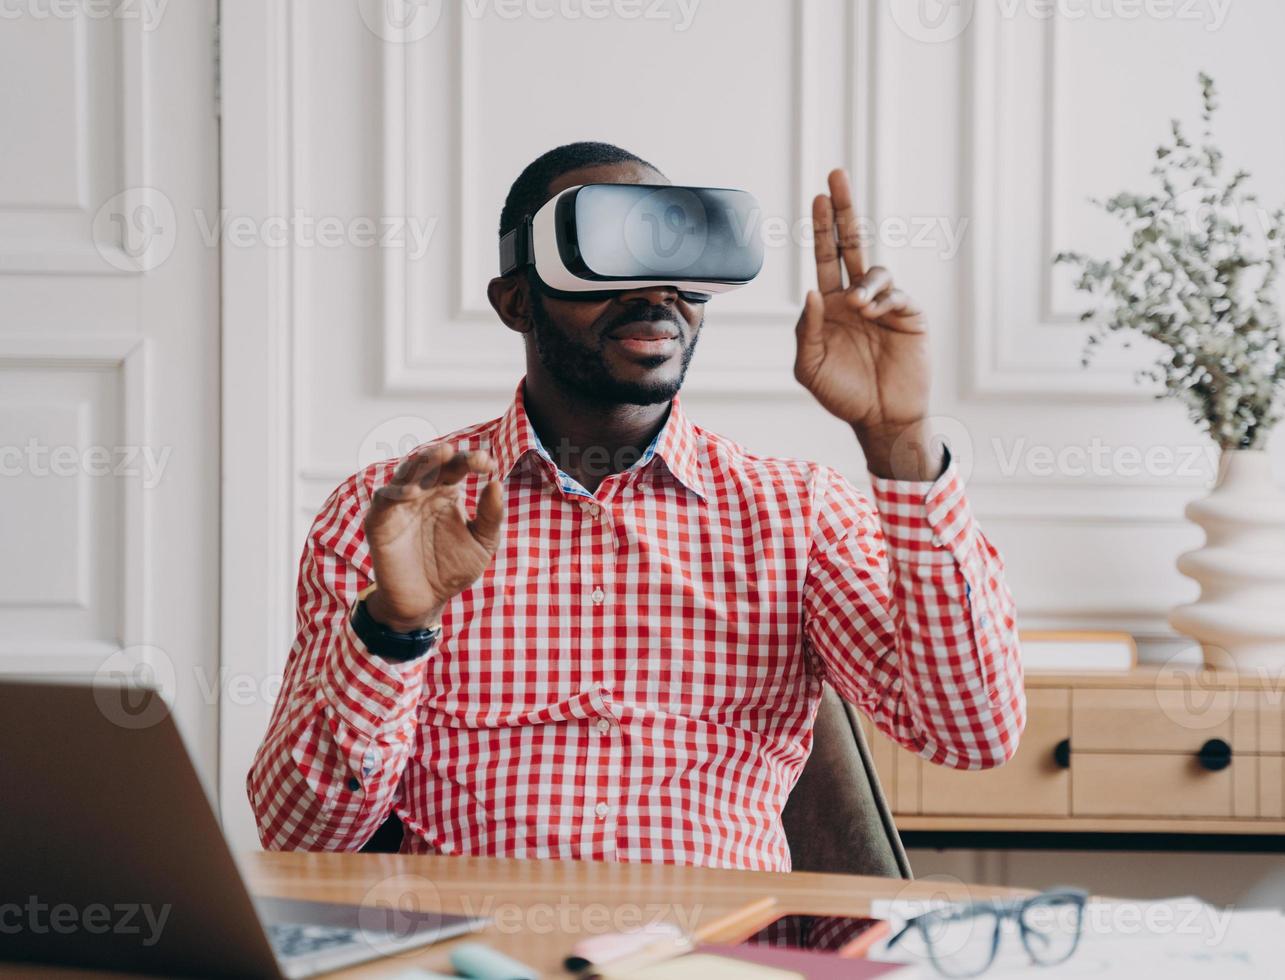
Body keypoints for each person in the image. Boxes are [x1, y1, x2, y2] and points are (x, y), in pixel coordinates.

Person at [248, 142, 1025, 870]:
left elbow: (972, 733)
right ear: (517, 301)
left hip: (719, 959)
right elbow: (299, 837)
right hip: (476, 955)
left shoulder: (800, 515)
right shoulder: (390, 517)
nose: (655, 291)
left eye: (677, 256)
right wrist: (393, 627)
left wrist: (900, 441)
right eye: (607, 254)